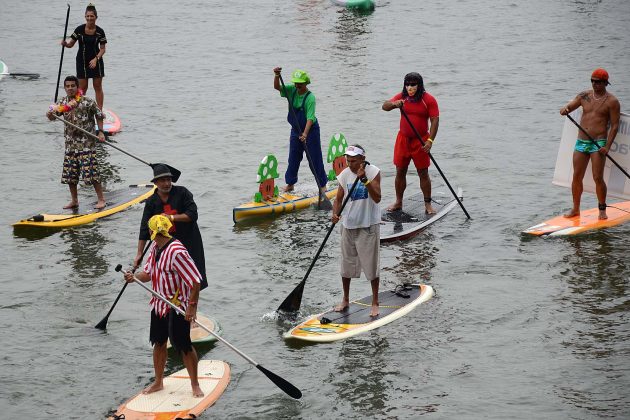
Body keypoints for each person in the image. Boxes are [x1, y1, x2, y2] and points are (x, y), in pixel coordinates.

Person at [123, 215, 203, 397]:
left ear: (152, 231)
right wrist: (133, 278)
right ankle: (158, 381)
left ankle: (195, 384)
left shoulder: (177, 251)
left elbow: (196, 280)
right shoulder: (155, 248)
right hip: (159, 304)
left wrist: (192, 307)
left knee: (184, 346)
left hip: (177, 306)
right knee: (158, 343)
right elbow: (148, 274)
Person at [135, 164, 208, 290]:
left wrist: (171, 218)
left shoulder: (183, 193)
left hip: (190, 242)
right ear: (156, 182)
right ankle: (174, 304)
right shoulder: (152, 201)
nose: (167, 183)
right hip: (165, 246)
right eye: (163, 180)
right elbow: (144, 229)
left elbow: (192, 214)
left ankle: (191, 306)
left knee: (195, 278)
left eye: (169, 179)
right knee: (169, 278)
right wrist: (139, 254)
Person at [560, 68, 621, 220]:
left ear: (606, 83)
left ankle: (602, 209)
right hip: (582, 141)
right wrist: (565, 109)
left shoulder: (612, 102)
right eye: (592, 81)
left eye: (598, 82)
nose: (595, 84)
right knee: (576, 176)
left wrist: (607, 146)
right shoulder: (584, 95)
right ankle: (575, 209)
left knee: (597, 177)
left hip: (598, 143)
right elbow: (571, 106)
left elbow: (614, 126)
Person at [331, 144, 382, 317]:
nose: (350, 164)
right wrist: (335, 214)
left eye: (353, 161)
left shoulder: (373, 171)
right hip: (348, 225)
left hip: (368, 226)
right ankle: (345, 299)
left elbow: (377, 197)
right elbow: (338, 199)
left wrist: (364, 180)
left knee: (371, 266)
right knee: (346, 266)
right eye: (347, 160)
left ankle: (375, 302)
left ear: (362, 159)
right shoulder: (344, 175)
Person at [382, 72, 440, 214]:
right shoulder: (402, 97)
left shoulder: (428, 100)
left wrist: (430, 141)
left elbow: (435, 120)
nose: (409, 87)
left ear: (419, 85)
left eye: (413, 84)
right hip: (403, 140)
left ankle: (428, 204)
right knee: (400, 171)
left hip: (421, 141)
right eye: (407, 84)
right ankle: (398, 202)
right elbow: (384, 106)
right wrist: (395, 104)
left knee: (423, 172)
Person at [46, 75, 106, 209]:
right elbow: (52, 117)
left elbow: (99, 115)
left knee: (92, 173)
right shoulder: (62, 103)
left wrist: (100, 132)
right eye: (67, 86)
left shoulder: (87, 102)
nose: (70, 88)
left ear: (77, 87)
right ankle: (74, 200)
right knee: (70, 175)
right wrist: (50, 114)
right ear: (64, 88)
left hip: (86, 144)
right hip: (70, 144)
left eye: (73, 86)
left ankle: (101, 199)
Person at [273, 67, 329, 197]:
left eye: (300, 83)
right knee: (293, 157)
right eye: (296, 83)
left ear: (306, 83)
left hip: (311, 131)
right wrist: (276, 75)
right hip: (296, 130)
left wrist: (305, 134)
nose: (297, 85)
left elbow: (310, 117)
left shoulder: (310, 98)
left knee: (314, 158)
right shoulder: (291, 90)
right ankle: (290, 184)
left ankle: (322, 185)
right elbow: (277, 87)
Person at [61, 3, 107, 110]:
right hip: (81, 61)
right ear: (85, 17)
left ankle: (100, 111)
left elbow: (103, 49)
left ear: (96, 17)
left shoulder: (100, 32)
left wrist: (96, 59)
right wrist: (65, 44)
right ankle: (78, 109)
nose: (90, 18)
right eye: (88, 16)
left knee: (97, 87)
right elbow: (71, 44)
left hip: (96, 61)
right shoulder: (79, 30)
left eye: (92, 16)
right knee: (82, 88)